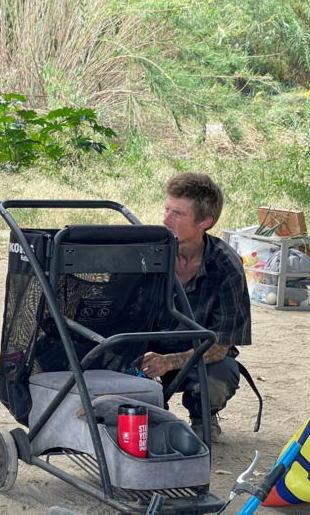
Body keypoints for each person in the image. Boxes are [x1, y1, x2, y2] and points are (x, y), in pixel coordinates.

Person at [134, 172, 251, 442]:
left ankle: (203, 415)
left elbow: (221, 345)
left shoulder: (226, 267)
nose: (165, 220)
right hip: (143, 351)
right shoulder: (145, 255)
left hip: (198, 357)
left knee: (220, 375)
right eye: (166, 209)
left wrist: (169, 362)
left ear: (205, 222)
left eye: (178, 214)